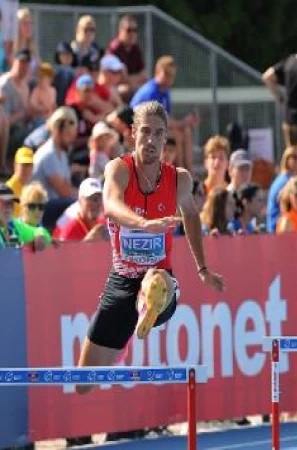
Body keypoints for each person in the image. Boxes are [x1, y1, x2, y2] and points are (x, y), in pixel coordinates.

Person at [76, 101, 225, 394]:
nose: (151, 140)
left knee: (155, 280)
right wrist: (143, 224)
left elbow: (192, 217)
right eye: (145, 132)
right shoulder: (118, 169)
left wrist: (203, 268)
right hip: (121, 281)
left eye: (158, 134)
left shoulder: (179, 179)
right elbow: (112, 205)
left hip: (162, 281)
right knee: (83, 384)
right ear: (132, 134)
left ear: (165, 137)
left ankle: (148, 305)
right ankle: (136, 315)